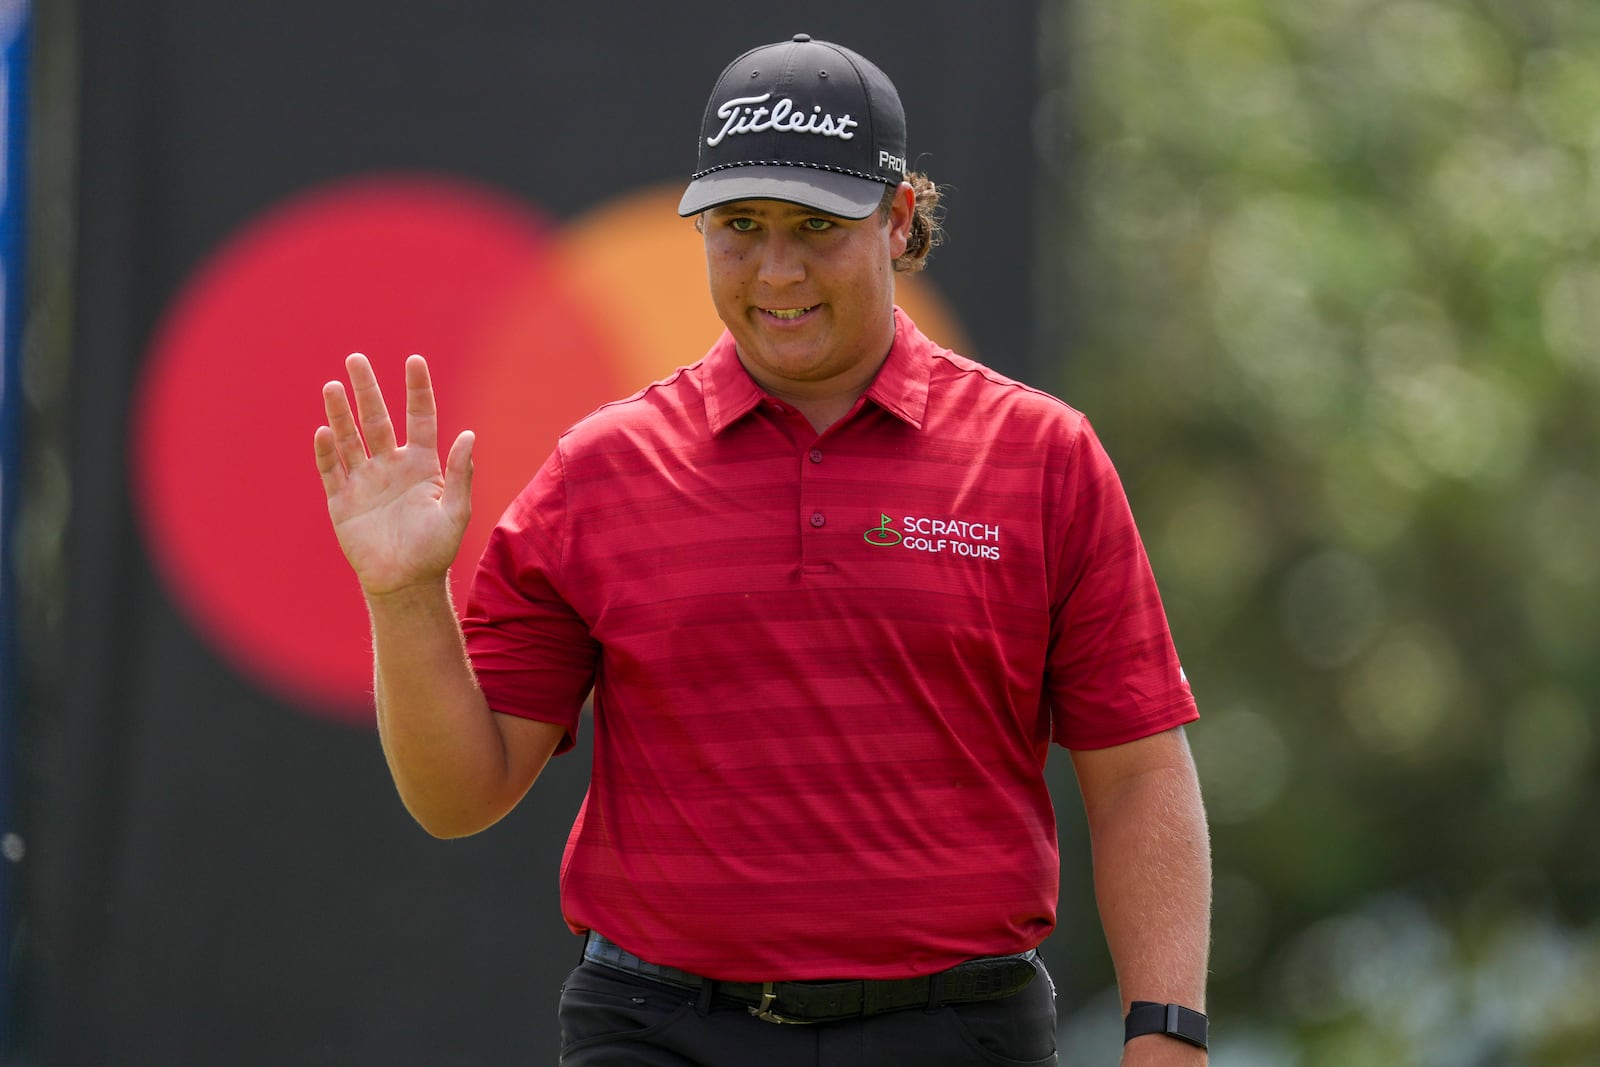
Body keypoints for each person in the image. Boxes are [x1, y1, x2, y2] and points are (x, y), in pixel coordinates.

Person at [313, 33, 1210, 1067]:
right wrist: (405, 592)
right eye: (740, 227)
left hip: (952, 1031)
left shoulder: (1040, 456)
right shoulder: (602, 470)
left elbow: (1139, 768)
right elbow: (460, 794)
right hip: (659, 1030)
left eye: (817, 227)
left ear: (898, 220)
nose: (777, 270)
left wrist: (1166, 1033)